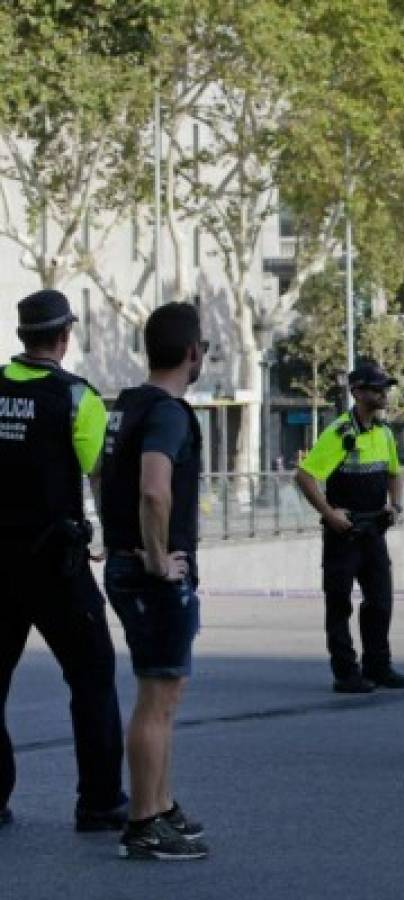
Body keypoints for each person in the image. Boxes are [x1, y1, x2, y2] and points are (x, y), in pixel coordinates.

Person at [0, 289, 127, 833]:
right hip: (57, 566)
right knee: (93, 678)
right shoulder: (78, 398)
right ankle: (99, 804)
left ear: (23, 335)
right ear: (64, 336)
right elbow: (101, 476)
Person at [100, 302, 208, 860]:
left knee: (166, 691)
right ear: (191, 353)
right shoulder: (166, 411)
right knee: (156, 696)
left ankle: (160, 806)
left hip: (127, 563)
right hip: (151, 576)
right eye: (205, 346)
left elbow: (100, 472)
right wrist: (158, 560)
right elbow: (153, 488)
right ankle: (143, 822)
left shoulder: (128, 405)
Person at [296, 361, 404, 694]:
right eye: (376, 389)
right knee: (339, 603)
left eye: (385, 388)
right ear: (357, 392)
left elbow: (393, 473)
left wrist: (396, 504)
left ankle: (378, 666)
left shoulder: (384, 432)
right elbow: (304, 476)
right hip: (344, 532)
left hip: (375, 529)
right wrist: (330, 514)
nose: (383, 394)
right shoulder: (339, 434)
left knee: (380, 600)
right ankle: (346, 673)